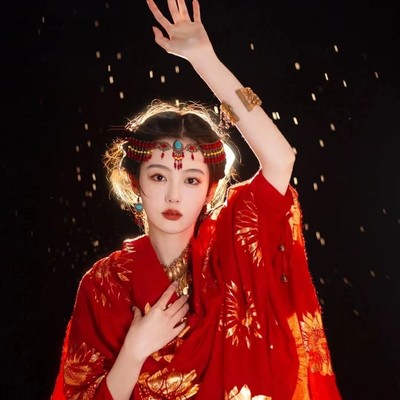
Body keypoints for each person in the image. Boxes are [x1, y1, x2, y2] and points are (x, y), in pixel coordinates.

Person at [51, 0, 342, 398]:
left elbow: (280, 158)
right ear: (135, 183)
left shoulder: (230, 256)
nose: (173, 194)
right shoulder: (105, 284)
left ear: (210, 190)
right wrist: (134, 351)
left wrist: (205, 60)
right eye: (159, 176)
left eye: (191, 180)